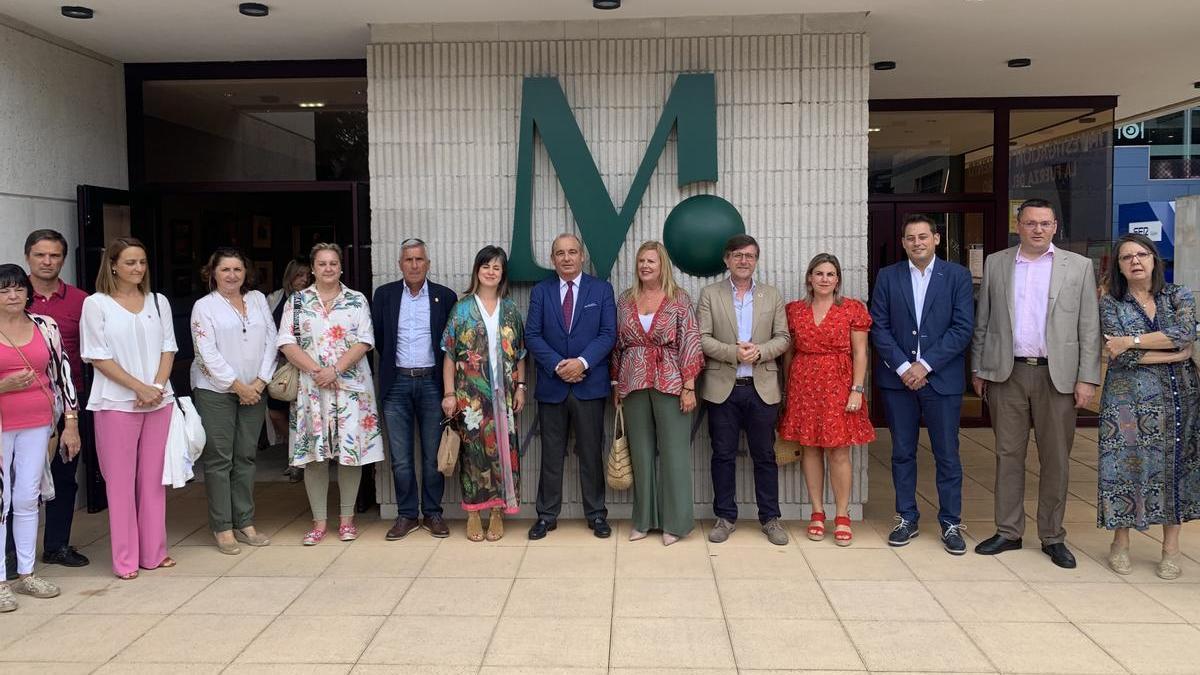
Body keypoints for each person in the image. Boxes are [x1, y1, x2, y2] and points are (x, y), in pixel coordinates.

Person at [971, 198, 1102, 568]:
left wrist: (1087, 378)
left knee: (1056, 458)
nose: (1038, 229)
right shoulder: (997, 263)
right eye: (1030, 223)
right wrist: (979, 369)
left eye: (1044, 223)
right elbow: (984, 320)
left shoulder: (1078, 267)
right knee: (1007, 455)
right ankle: (1008, 531)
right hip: (1007, 372)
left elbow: (1089, 328)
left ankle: (1052, 535)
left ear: (1055, 226)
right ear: (1019, 225)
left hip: (1056, 376)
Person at [868, 215, 975, 554]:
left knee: (947, 454)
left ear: (936, 239)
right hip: (898, 381)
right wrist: (903, 367)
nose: (917, 242)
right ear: (903, 243)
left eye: (923, 236)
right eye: (911, 238)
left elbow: (962, 328)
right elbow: (878, 327)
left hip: (941, 379)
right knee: (902, 452)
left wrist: (924, 365)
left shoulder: (956, 276)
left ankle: (950, 523)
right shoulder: (888, 277)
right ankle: (906, 517)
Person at [1097, 233, 1198, 579]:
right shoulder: (1111, 302)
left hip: (1180, 400)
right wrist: (1173, 353)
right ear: (1119, 266)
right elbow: (1119, 357)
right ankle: (1120, 543)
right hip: (1125, 402)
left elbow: (1184, 333)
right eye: (1127, 257)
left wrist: (1133, 342)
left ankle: (1171, 549)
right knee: (1126, 465)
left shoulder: (1178, 295)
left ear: (1155, 259)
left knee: (1176, 467)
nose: (1135, 261)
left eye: (1142, 254)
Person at [80, 237, 178, 579]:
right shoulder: (97, 304)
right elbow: (97, 355)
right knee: (120, 484)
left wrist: (155, 388)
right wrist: (137, 388)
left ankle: (154, 552)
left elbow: (169, 348)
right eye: (130, 262)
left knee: (152, 481)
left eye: (142, 262)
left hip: (158, 401)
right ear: (113, 266)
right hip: (116, 404)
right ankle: (125, 559)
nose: (138, 269)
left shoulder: (158, 301)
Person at [276, 243, 384, 545]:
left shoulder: (356, 300)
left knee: (351, 455)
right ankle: (319, 522)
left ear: (340, 267)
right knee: (315, 456)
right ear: (312, 268)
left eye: (333, 263)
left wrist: (335, 370)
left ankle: (347, 520)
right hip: (313, 390)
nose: (328, 269)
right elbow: (286, 342)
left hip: (350, 388)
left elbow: (365, 340)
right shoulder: (297, 302)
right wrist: (317, 371)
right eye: (322, 264)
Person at [3, 230, 91, 581]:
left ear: (63, 259)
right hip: (8, 415)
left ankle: (54, 548)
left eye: (54, 255)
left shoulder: (78, 303)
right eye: (40, 255)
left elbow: (75, 360)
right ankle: (8, 561)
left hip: (59, 407)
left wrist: (71, 416)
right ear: (28, 258)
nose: (47, 261)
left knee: (56, 481)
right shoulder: (15, 298)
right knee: (7, 492)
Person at [697, 234, 791, 546]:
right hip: (723, 387)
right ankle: (725, 517)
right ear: (727, 260)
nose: (743, 261)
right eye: (737, 255)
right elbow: (702, 338)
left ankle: (770, 518)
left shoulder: (771, 295)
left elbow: (783, 338)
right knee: (722, 455)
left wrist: (759, 352)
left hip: (761, 387)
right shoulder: (710, 294)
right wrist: (733, 353)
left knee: (764, 455)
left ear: (756, 260)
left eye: (750, 256)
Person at [611, 241, 704, 545]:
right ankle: (643, 519)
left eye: (651, 261)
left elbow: (690, 341)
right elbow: (617, 345)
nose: (645, 266)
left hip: (671, 382)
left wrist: (689, 386)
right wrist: (616, 383)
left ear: (662, 264)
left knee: (674, 454)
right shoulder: (625, 300)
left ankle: (675, 524)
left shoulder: (679, 299)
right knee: (641, 453)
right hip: (633, 381)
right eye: (641, 261)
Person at [779, 253, 875, 546]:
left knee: (839, 452)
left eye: (830, 274)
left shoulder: (852, 309)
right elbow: (789, 353)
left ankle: (842, 514)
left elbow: (860, 353)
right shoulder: (794, 310)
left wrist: (857, 390)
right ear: (809, 278)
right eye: (818, 273)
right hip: (804, 384)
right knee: (809, 449)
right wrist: (787, 390)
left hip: (840, 384)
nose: (824, 279)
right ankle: (817, 512)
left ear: (838, 280)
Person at [526, 233, 617, 540]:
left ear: (582, 257)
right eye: (560, 253)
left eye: (572, 252)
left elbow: (608, 334)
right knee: (550, 454)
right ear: (553, 259)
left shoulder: (601, 290)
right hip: (553, 385)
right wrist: (558, 366)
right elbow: (533, 336)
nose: (566, 258)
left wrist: (581, 363)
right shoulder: (541, 291)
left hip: (589, 384)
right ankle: (546, 515)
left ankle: (596, 514)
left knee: (591, 452)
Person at [190, 247, 278, 555]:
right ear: (212, 273)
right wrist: (237, 385)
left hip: (256, 387)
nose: (231, 275)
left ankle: (245, 521)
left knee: (246, 457)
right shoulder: (205, 306)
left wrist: (260, 381)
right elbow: (206, 351)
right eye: (225, 269)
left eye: (237, 270)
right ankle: (222, 526)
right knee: (219, 460)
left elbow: (272, 339)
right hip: (216, 392)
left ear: (246, 273)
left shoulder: (257, 300)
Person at [372, 238, 457, 540]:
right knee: (401, 458)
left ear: (428, 264)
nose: (414, 265)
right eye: (408, 260)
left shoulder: (445, 297)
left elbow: (451, 345)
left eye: (419, 259)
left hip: (433, 383)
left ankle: (433, 512)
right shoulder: (385, 295)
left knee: (434, 455)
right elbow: (380, 339)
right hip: (396, 384)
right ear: (400, 264)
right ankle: (407, 514)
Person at [441, 246, 527, 541]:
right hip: (470, 399)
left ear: (503, 274)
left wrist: (521, 387)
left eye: (497, 267)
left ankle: (497, 512)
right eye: (486, 266)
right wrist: (449, 393)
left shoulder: (511, 309)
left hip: (504, 396)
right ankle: (474, 512)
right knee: (474, 455)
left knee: (504, 452)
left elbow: (520, 354)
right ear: (477, 270)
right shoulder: (462, 308)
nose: (491, 272)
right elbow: (450, 354)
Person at [268, 257, 310, 480]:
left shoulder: (309, 299)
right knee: (275, 412)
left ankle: (297, 461)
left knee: (299, 413)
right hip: (279, 365)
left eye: (306, 275)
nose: (303, 280)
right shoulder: (274, 298)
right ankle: (293, 452)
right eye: (299, 275)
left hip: (303, 363)